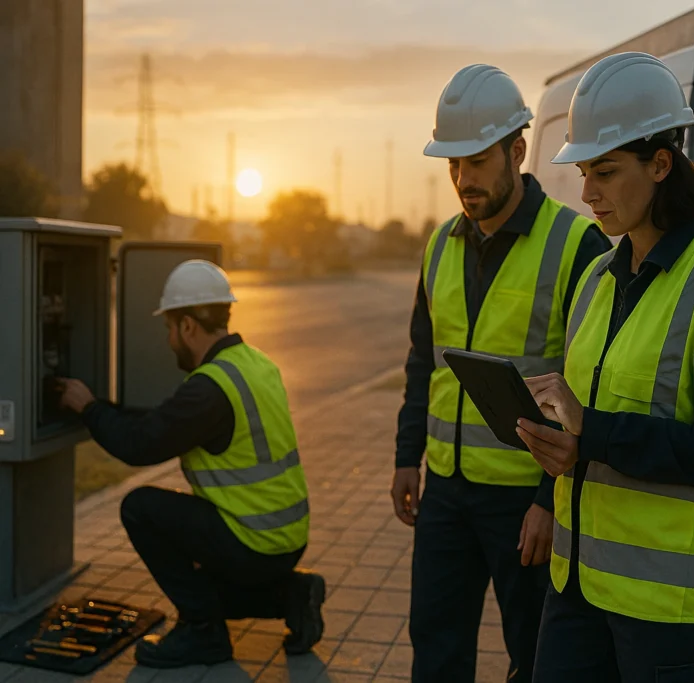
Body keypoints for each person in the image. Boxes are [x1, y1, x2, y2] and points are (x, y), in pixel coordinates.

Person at [515, 52, 694, 683]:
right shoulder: (598, 279)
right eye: (582, 173)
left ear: (661, 164)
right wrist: (549, 481)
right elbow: (584, 421)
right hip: (576, 590)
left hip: (668, 613)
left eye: (605, 171)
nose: (587, 193)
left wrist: (592, 434)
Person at [391, 63, 611, 683]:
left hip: (524, 498)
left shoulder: (576, 245)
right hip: (447, 493)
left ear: (518, 150)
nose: (463, 180)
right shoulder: (439, 246)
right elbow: (420, 361)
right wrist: (408, 456)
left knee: (534, 656)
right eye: (453, 165)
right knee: (435, 647)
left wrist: (549, 502)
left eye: (478, 162)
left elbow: (588, 389)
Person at [57, 260, 325, 669]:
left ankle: (204, 635)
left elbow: (139, 445)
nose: (168, 340)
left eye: (168, 329)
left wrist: (88, 408)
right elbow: (158, 424)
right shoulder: (255, 364)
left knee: (141, 508)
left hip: (252, 541)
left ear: (186, 326)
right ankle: (291, 596)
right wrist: (110, 409)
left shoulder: (209, 389)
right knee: (202, 577)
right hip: (286, 536)